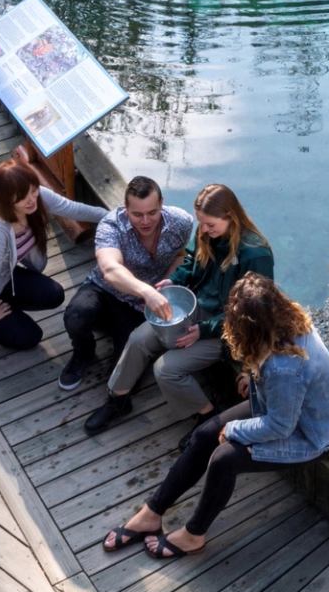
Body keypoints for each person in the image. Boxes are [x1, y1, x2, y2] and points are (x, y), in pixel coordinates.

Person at [100, 274, 329, 559]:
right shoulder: (287, 321)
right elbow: (278, 383)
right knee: (205, 434)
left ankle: (194, 535)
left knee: (224, 459)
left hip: (314, 433)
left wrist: (234, 429)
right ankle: (152, 511)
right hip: (293, 408)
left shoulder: (284, 369)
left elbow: (281, 425)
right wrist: (251, 373)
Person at [83, 183, 276, 434]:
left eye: (210, 225)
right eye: (201, 223)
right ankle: (118, 399)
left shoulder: (255, 254)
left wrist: (203, 330)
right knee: (138, 338)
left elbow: (252, 314)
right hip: (195, 308)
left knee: (166, 369)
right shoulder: (207, 233)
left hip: (228, 330)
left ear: (230, 216)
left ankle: (206, 415)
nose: (203, 230)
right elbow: (190, 262)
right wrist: (176, 279)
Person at [0, 149, 108, 350]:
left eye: (33, 190)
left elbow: (72, 209)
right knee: (30, 337)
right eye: (22, 197)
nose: (32, 199)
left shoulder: (36, 199)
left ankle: (3, 309)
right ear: (6, 199)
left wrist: (113, 216)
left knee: (54, 294)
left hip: (2, 279)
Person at [59, 175, 195, 391]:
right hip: (105, 291)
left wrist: (167, 282)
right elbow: (110, 269)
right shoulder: (111, 224)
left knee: (125, 376)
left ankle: (117, 336)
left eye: (152, 212)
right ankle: (83, 352)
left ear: (162, 204)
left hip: (137, 308)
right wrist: (147, 292)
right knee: (76, 316)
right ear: (125, 208)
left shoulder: (182, 222)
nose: (145, 221)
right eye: (137, 214)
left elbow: (180, 254)